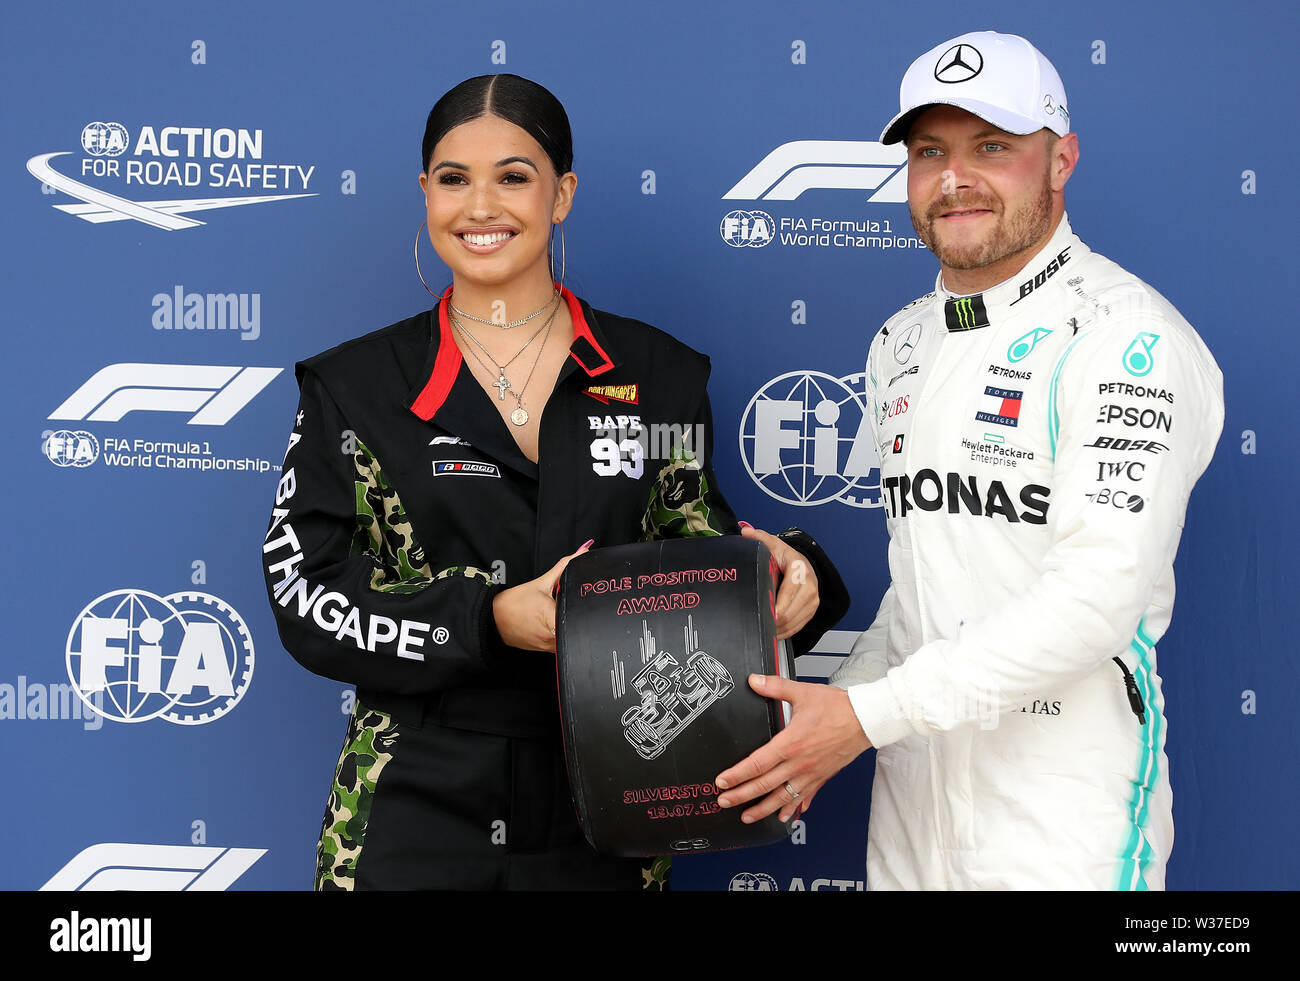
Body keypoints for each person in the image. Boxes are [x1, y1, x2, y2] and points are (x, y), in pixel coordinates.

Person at [261, 73, 847, 891]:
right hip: (411, 792)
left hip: (618, 787)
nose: (480, 206)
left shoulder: (657, 373)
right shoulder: (353, 386)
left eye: (514, 176)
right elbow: (305, 598)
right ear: (425, 193)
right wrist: (490, 617)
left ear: (561, 194)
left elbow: (698, 558)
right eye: (454, 178)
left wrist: (787, 574)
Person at [714, 31, 1224, 889]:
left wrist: (865, 716)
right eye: (930, 152)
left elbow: (1095, 601)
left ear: (1061, 160)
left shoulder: (1127, 337)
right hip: (912, 809)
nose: (956, 177)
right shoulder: (901, 343)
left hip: (1061, 816)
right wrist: (813, 725)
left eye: (993, 146)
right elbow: (922, 595)